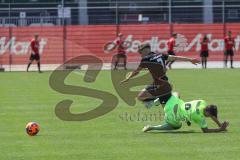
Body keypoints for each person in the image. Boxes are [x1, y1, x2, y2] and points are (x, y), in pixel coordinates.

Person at [120, 43, 199, 108]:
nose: (140, 55)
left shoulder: (146, 59)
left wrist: (128, 78)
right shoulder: (160, 55)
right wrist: (190, 59)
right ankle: (165, 98)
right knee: (164, 106)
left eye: (140, 52)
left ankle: (163, 99)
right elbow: (175, 57)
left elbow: (136, 72)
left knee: (143, 98)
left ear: (145, 50)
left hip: (159, 85)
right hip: (162, 82)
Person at [142, 94, 229, 133]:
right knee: (177, 126)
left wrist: (220, 124)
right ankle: (151, 127)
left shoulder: (203, 102)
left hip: (174, 103)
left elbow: (212, 116)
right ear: (208, 112)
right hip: (172, 115)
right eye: (209, 116)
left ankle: (152, 103)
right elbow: (205, 131)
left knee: (176, 94)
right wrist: (220, 129)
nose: (209, 117)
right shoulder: (199, 117)